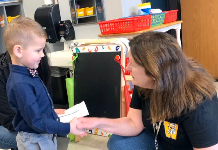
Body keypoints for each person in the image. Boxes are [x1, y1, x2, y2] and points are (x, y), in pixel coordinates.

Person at [77, 31, 218, 150]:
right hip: (160, 139)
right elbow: (133, 123)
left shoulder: (199, 102)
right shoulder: (147, 83)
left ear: (153, 71)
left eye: (132, 64)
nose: (127, 68)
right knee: (118, 143)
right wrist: (97, 122)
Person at [3, 16, 85, 150]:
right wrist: (69, 127)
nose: (42, 55)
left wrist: (51, 112)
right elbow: (36, 122)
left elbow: (36, 106)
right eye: (38, 50)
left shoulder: (28, 74)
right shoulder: (21, 84)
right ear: (18, 51)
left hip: (42, 135)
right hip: (35, 139)